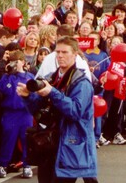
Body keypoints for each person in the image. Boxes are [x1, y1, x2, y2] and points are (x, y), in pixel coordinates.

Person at [17, 36, 98, 183]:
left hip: (70, 144)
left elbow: (75, 112)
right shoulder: (51, 78)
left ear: (75, 55)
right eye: (57, 52)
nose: (60, 56)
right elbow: (37, 111)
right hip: (49, 144)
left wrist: (52, 93)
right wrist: (28, 96)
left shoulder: (82, 83)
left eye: (64, 52)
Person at [0, 51, 34, 179]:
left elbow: (35, 94)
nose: (15, 64)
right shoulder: (8, 77)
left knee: (26, 139)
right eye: (12, 61)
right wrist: (7, 74)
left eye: (17, 61)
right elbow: (1, 90)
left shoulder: (29, 76)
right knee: (8, 138)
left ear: (23, 62)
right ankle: (3, 164)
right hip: (10, 113)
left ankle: (26, 165)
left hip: (25, 113)